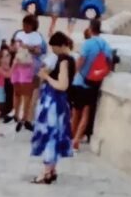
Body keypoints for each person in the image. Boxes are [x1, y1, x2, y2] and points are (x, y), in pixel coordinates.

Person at [29, 31, 75, 184]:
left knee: (50, 135)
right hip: (60, 103)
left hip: (54, 102)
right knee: (55, 135)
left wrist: (46, 77)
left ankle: (46, 171)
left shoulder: (63, 60)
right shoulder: (71, 59)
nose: (53, 51)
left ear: (61, 46)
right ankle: (52, 170)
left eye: (54, 48)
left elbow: (62, 85)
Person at [70, 17, 113, 150]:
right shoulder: (105, 44)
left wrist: (72, 75)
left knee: (76, 111)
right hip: (94, 83)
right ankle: (77, 139)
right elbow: (109, 62)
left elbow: (81, 61)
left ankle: (71, 137)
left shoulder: (87, 44)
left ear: (90, 29)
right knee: (86, 113)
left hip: (80, 81)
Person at [11, 13, 44, 131]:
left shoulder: (37, 37)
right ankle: (16, 113)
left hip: (30, 67)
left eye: (27, 25)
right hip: (18, 65)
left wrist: (27, 47)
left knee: (27, 94)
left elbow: (40, 51)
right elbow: (13, 47)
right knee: (17, 91)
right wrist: (15, 47)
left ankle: (25, 117)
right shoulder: (19, 34)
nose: (24, 27)